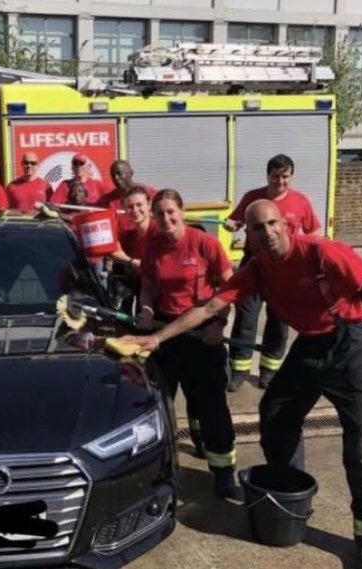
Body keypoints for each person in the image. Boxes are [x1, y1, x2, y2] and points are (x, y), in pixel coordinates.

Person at [122, 199, 362, 569]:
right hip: (312, 345)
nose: (267, 233)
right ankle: (290, 487)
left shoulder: (320, 251)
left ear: (286, 224)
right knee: (276, 412)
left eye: (271, 224)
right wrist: (157, 339)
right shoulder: (258, 270)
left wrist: (348, 311)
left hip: (351, 341)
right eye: (257, 228)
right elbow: (208, 307)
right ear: (247, 235)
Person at [135, 189, 237, 497]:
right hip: (165, 334)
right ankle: (161, 469)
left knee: (211, 405)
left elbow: (228, 288)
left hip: (202, 334)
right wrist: (146, 310)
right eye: (160, 213)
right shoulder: (152, 247)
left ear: (181, 211)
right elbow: (149, 287)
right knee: (160, 405)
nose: (166, 218)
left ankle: (223, 471)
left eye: (171, 212)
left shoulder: (204, 243)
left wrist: (219, 324)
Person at [224, 153, 320, 391]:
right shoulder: (252, 198)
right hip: (254, 265)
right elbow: (235, 221)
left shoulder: (301, 201)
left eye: (285, 177)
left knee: (279, 320)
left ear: (292, 176)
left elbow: (315, 232)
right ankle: (238, 371)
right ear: (267, 176)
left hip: (286, 268)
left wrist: (302, 247)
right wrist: (231, 224)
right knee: (246, 318)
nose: (280, 182)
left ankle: (269, 372)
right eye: (275, 176)